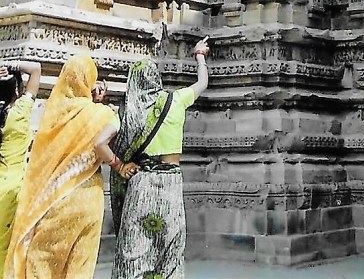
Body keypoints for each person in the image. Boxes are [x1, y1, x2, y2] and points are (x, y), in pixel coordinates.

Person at [4, 53, 133, 279]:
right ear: (89, 81)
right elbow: (101, 139)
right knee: (80, 264)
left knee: (43, 261)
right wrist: (118, 165)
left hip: (54, 198)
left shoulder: (53, 113)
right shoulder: (102, 114)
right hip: (89, 198)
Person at [110, 39, 210, 279]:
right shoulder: (176, 100)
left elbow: (108, 141)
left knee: (134, 252)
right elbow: (203, 83)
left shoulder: (130, 113)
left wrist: (119, 166)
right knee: (169, 249)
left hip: (140, 183)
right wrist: (199, 55)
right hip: (170, 185)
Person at [0, 60, 41, 275]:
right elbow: (36, 69)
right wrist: (9, 65)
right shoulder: (20, 113)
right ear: (17, 90)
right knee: (9, 248)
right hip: (13, 188)